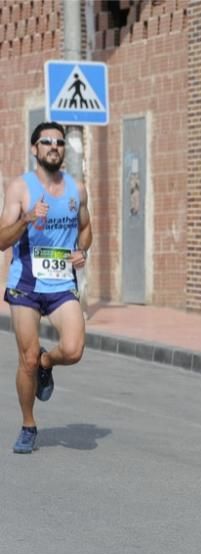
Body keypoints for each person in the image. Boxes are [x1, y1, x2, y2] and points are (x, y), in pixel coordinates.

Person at [0, 121, 92, 454]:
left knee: (73, 349)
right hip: (25, 282)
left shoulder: (77, 189)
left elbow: (86, 229)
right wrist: (24, 220)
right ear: (34, 149)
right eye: (47, 141)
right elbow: (1, 240)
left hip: (61, 281)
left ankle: (47, 364)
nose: (54, 146)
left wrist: (82, 250)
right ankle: (28, 424)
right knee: (26, 358)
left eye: (59, 142)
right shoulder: (19, 188)